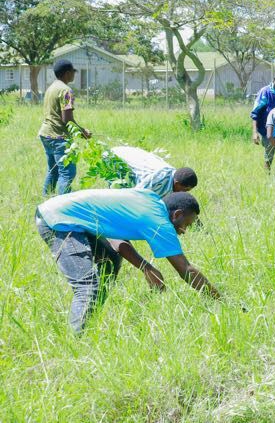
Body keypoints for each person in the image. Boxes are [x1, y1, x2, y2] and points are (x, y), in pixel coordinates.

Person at [35, 189, 220, 333]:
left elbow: (116, 240)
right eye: (186, 224)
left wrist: (146, 267)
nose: (184, 231)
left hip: (66, 213)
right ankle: (77, 343)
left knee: (110, 261)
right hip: (58, 220)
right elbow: (185, 269)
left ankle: (89, 321)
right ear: (177, 214)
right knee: (87, 285)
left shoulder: (150, 199)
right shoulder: (159, 222)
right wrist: (220, 300)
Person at [38, 58, 91, 196]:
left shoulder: (52, 88)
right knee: (67, 173)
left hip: (45, 134)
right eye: (73, 72)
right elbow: (67, 119)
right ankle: (63, 206)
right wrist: (82, 132)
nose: (74, 75)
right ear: (67, 73)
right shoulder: (66, 91)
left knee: (53, 170)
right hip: (59, 137)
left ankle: (46, 198)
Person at [110, 145, 198, 197]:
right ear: (177, 183)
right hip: (115, 158)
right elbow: (136, 195)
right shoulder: (159, 178)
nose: (184, 193)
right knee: (116, 191)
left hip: (126, 157)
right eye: (185, 190)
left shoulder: (174, 177)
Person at [251, 69, 275, 171]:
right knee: (269, 155)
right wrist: (255, 133)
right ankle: (266, 176)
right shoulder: (266, 92)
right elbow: (255, 113)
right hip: (268, 130)